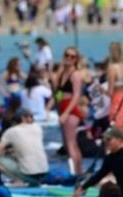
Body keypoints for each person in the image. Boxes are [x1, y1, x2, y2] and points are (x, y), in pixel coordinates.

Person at [74, 127, 123, 197]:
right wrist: (82, 188)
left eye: (109, 139)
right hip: (121, 195)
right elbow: (99, 175)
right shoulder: (110, 158)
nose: (106, 142)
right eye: (104, 139)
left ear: (119, 140)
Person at [49, 47, 86, 177]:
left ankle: (75, 173)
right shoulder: (62, 73)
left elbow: (76, 96)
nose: (69, 58)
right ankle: (79, 171)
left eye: (72, 57)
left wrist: (65, 113)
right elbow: (58, 93)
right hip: (62, 106)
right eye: (67, 55)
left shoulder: (75, 74)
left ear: (76, 59)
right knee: (71, 143)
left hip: (70, 108)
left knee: (70, 144)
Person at [0, 108, 48, 186]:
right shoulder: (38, 128)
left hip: (28, 175)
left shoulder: (11, 131)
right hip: (44, 172)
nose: (33, 119)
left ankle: (18, 180)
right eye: (31, 116)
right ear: (23, 118)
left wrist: (5, 152)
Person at [105, 41, 123, 131]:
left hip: (117, 103)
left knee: (117, 132)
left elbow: (110, 92)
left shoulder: (112, 68)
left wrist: (101, 90)